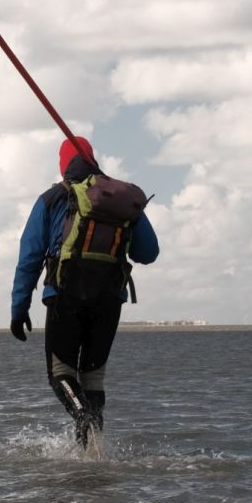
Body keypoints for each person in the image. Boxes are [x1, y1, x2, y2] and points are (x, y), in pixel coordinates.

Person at [10, 136, 158, 448]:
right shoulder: (119, 199)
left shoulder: (52, 198)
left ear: (63, 166)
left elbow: (29, 258)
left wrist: (19, 308)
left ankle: (82, 419)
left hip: (65, 295)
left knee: (60, 374)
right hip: (109, 301)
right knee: (92, 379)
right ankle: (93, 452)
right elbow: (149, 252)